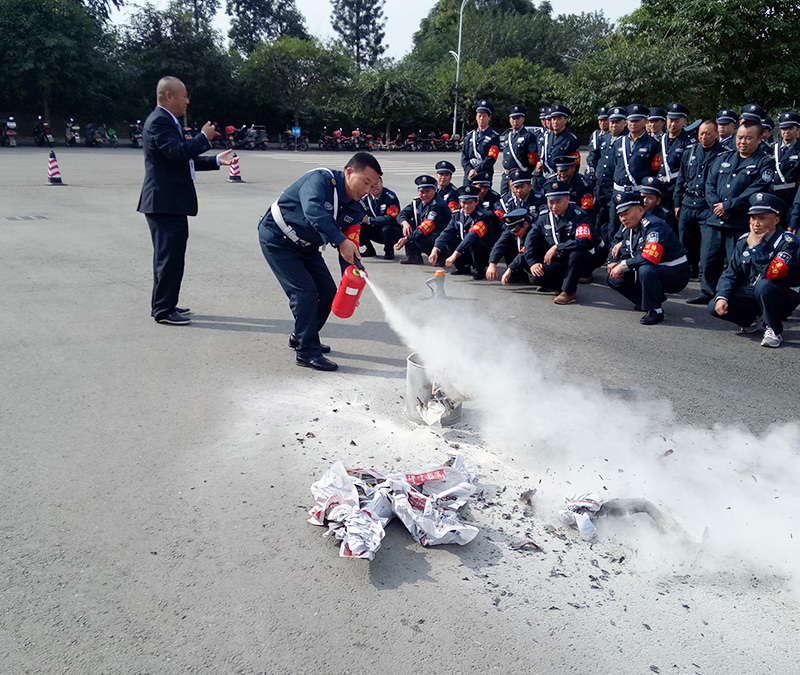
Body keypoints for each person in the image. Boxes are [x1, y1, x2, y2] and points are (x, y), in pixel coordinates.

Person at [258, 152, 381, 371]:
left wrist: (350, 285)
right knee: (304, 292)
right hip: (278, 239)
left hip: (308, 247)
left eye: (372, 186)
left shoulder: (356, 208)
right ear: (349, 172)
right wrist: (340, 240)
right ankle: (307, 352)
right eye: (365, 182)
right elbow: (313, 209)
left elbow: (349, 247)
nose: (367, 190)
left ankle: (302, 336)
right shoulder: (320, 180)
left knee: (328, 292)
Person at [137, 76, 233, 325]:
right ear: (169, 96)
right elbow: (177, 152)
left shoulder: (168, 121)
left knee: (172, 256)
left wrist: (215, 160)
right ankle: (163, 310)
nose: (187, 101)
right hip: (163, 202)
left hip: (170, 202)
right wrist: (203, 137)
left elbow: (181, 160)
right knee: (168, 257)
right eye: (184, 95)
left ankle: (167, 303)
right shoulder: (159, 121)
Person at [697, 119, 774, 305]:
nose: (742, 142)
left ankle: (733, 296)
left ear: (759, 139)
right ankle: (707, 293)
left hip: (738, 220)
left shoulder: (764, 163)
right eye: (740, 137)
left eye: (748, 138)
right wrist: (717, 206)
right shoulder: (723, 158)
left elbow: (755, 190)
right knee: (708, 260)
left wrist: (729, 206)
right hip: (715, 219)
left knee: (736, 262)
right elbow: (710, 185)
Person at [709, 192, 800, 348]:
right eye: (753, 218)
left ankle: (774, 330)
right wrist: (722, 296)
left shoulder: (787, 242)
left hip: (783, 294)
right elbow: (730, 274)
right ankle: (750, 320)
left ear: (776, 220)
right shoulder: (744, 240)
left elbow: (772, 274)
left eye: (762, 218)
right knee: (714, 306)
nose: (756, 223)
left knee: (763, 285)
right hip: (755, 290)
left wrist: (756, 248)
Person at [607, 191, 690, 325]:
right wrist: (613, 262)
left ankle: (655, 310)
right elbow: (615, 242)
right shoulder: (627, 226)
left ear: (640, 210)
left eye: (626, 213)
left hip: (674, 272)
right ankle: (645, 301)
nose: (623, 218)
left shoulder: (654, 225)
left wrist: (622, 265)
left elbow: (649, 256)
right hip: (649, 267)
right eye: (620, 215)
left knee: (645, 270)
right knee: (613, 278)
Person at [524, 180, 596, 305]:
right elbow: (530, 240)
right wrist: (532, 263)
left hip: (580, 260)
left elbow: (583, 241)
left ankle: (569, 292)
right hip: (558, 260)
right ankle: (560, 286)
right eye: (551, 202)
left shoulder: (579, 215)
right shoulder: (544, 217)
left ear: (568, 199)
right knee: (535, 276)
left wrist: (558, 247)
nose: (554, 206)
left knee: (576, 254)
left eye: (558, 202)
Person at [673, 120, 725, 285]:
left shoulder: (724, 154)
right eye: (701, 133)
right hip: (688, 202)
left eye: (708, 133)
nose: (704, 137)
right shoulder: (690, 152)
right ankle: (687, 273)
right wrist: (677, 203)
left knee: (708, 247)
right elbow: (681, 178)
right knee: (686, 243)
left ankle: (706, 282)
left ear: (716, 134)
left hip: (707, 206)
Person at [428, 185, 495, 280]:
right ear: (460, 202)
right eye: (464, 202)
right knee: (451, 239)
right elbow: (446, 232)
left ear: (476, 202)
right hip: (464, 249)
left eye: (470, 203)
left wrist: (454, 255)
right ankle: (462, 267)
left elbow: (471, 236)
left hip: (481, 251)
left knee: (476, 242)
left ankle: (480, 269)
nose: (466, 206)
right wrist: (435, 250)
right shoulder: (457, 215)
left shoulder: (483, 216)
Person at [394, 175, 452, 264]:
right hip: (426, 232)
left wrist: (407, 239)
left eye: (427, 191)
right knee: (408, 226)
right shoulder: (418, 202)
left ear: (434, 190)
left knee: (419, 237)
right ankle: (414, 257)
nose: (424, 195)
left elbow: (425, 228)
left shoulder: (438, 206)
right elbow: (401, 214)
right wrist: (404, 223)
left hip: (439, 236)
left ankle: (440, 257)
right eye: (422, 192)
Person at [594, 106, 628, 245]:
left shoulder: (626, 139)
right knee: (600, 219)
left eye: (618, 122)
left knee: (614, 222)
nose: (614, 125)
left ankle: (612, 249)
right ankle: (602, 246)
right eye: (612, 122)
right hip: (601, 186)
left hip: (615, 187)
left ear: (625, 123)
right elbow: (595, 155)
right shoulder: (605, 137)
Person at [498, 104, 539, 200]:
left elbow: (533, 159)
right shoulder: (508, 136)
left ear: (523, 119)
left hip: (520, 176)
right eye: (513, 118)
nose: (515, 121)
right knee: (504, 200)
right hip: (507, 176)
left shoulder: (528, 136)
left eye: (518, 118)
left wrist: (526, 174)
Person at [657, 102, 692, 211]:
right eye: (671, 120)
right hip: (659, 190)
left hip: (676, 190)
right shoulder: (659, 140)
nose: (673, 124)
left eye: (677, 121)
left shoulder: (689, 143)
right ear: (666, 120)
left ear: (684, 121)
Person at [486, 208, 533, 284]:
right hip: (521, 258)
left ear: (525, 224)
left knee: (535, 279)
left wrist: (510, 268)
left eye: (517, 231)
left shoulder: (534, 230)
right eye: (512, 232)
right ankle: (517, 273)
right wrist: (492, 263)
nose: (515, 234)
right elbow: (500, 245)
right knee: (507, 245)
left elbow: (525, 251)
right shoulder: (512, 231)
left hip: (537, 260)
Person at [359, 176, 400, 260]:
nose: (375, 186)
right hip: (374, 229)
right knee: (358, 225)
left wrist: (370, 220)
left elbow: (391, 218)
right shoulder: (364, 198)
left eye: (377, 183)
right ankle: (369, 249)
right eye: (372, 184)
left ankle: (389, 250)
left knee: (387, 228)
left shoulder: (390, 197)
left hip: (389, 230)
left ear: (382, 183)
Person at [461, 99, 500, 186]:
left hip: (484, 175)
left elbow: (491, 158)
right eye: (479, 116)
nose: (481, 119)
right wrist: (469, 170)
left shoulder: (494, 136)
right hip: (469, 176)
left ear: (489, 117)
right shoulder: (470, 136)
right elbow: (464, 157)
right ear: (476, 117)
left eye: (484, 116)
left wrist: (476, 170)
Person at [537, 104, 580, 179]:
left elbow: (576, 164)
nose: (555, 122)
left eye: (559, 118)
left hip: (562, 178)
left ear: (565, 120)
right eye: (553, 119)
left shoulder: (571, 139)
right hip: (546, 178)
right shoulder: (546, 137)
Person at [554, 155, 595, 224]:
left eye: (565, 170)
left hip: (577, 219)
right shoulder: (552, 182)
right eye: (560, 170)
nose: (562, 173)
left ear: (573, 168)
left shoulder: (583, 185)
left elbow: (587, 211)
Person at [771, 111, 800, 208]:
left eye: (790, 128)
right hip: (773, 194)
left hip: (792, 195)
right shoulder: (772, 148)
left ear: (797, 130)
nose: (786, 132)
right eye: (784, 129)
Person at [586, 106, 610, 180]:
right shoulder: (595, 134)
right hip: (591, 169)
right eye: (600, 120)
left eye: (605, 120)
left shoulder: (612, 136)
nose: (602, 123)